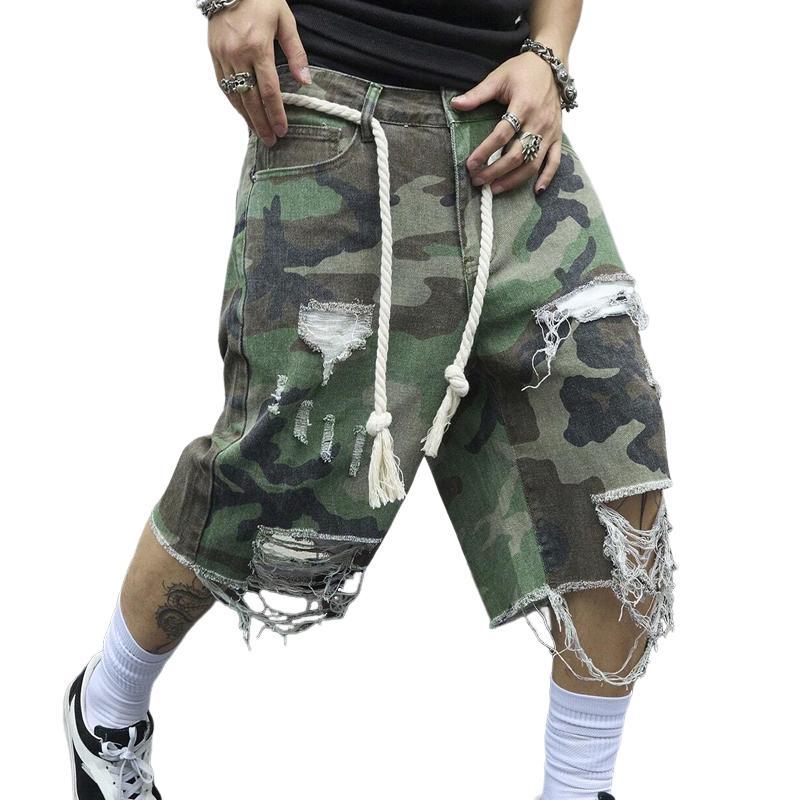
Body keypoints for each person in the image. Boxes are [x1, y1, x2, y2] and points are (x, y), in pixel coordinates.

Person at [63, 1, 674, 798]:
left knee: (612, 457)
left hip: (506, 132)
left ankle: (578, 786)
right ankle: (105, 713)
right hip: (334, 108)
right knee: (274, 466)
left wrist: (550, 53)